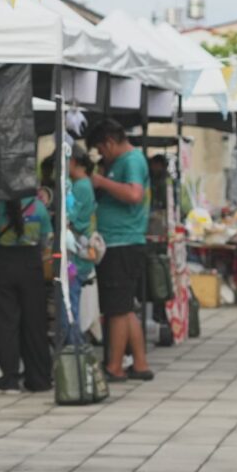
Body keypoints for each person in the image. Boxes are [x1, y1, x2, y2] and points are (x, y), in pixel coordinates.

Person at [86, 118, 154, 382]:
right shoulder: (124, 161)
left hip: (122, 243)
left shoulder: (131, 161)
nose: (101, 155)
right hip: (122, 242)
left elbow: (134, 194)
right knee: (124, 308)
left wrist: (101, 182)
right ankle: (140, 364)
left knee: (116, 308)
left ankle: (114, 366)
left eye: (100, 150)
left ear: (109, 142)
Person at [0, 193, 54, 393]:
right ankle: (39, 379)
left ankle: (9, 380)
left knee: (5, 322)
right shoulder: (38, 205)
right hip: (31, 265)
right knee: (35, 322)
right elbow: (45, 240)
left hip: (0, 265)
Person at [64, 147, 98, 346]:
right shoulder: (84, 184)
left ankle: (74, 349)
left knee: (70, 305)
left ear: (73, 162)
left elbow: (70, 217)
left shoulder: (80, 186)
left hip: (76, 255)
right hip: (80, 252)